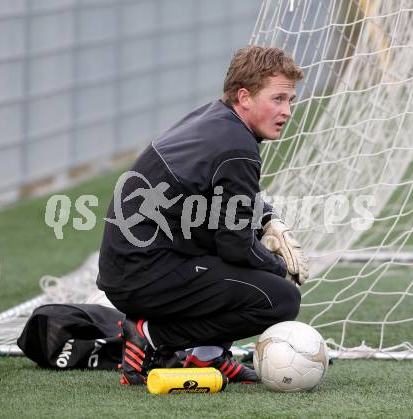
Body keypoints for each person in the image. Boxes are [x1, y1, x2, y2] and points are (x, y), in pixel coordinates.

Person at [97, 46, 308, 385]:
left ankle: (207, 357)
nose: (286, 111)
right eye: (278, 99)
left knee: (250, 252)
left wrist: (267, 220)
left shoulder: (217, 118)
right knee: (280, 299)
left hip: (133, 265)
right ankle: (150, 335)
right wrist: (278, 267)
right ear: (245, 96)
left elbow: (229, 202)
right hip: (144, 273)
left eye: (290, 101)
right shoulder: (237, 147)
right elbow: (235, 245)